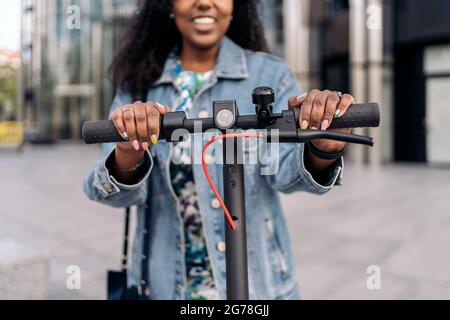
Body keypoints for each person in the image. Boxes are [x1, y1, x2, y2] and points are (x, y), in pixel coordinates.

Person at [84, 0, 356, 300]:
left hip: (257, 289)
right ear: (169, 5)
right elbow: (112, 192)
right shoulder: (139, 83)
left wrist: (324, 146)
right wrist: (129, 150)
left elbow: (286, 169)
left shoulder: (270, 73)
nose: (204, 2)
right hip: (164, 289)